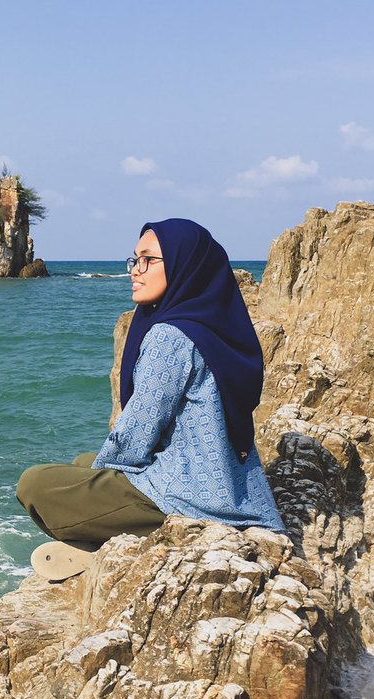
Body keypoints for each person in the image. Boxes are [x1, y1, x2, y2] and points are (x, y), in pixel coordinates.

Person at [17, 218, 285, 580]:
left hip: (191, 502)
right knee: (83, 463)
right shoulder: (211, 327)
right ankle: (103, 523)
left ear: (182, 264)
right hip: (229, 488)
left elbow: (134, 436)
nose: (135, 270)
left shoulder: (170, 336)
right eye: (134, 259)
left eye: (148, 260)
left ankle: (105, 542)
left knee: (36, 484)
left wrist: (97, 482)